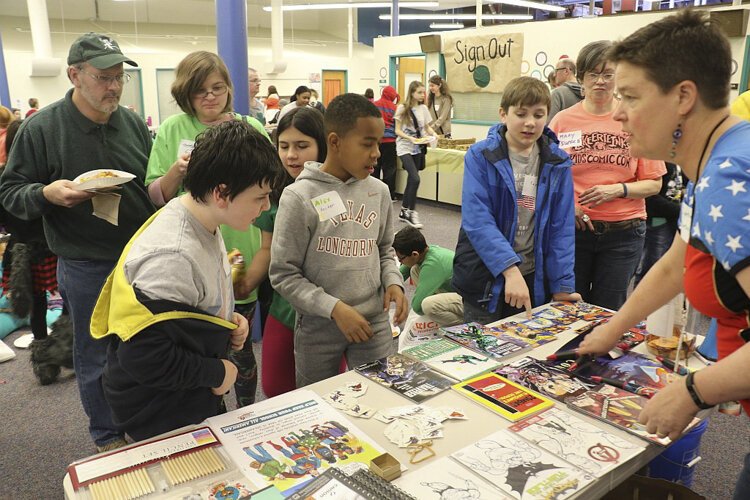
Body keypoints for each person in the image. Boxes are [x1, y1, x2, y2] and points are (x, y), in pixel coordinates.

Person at [575, 11, 750, 496]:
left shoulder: (728, 181)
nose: (616, 112)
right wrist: (610, 329)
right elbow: (677, 261)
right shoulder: (715, 158)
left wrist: (692, 392)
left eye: (630, 96)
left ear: (683, 98)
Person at [0, 32, 155, 452]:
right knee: (96, 355)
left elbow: (149, 183)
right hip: (86, 264)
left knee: (142, 347)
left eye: (119, 76)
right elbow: (10, 190)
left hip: (140, 258)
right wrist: (46, 193)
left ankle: (141, 424)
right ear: (74, 75)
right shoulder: (41, 128)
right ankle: (106, 437)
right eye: (104, 77)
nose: (114, 86)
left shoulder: (133, 124)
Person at [91, 120, 284, 441]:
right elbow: (143, 357)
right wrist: (217, 372)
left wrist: (224, 320)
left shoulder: (201, 216)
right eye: (260, 196)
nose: (266, 206)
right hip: (160, 408)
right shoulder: (174, 255)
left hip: (186, 391)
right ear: (221, 192)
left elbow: (185, 311)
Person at [144, 50, 270, 408]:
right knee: (198, 345)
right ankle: (207, 412)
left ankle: (245, 413)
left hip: (240, 250)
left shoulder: (251, 126)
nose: (211, 97)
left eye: (218, 88)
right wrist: (178, 171)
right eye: (200, 90)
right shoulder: (173, 129)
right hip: (193, 253)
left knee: (240, 345)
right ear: (186, 93)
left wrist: (264, 253)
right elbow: (155, 195)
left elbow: (266, 196)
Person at [269, 93, 409, 387]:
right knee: (319, 406)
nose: (376, 154)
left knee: (378, 395)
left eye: (377, 143)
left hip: (374, 322)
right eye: (367, 144)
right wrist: (334, 308)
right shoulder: (298, 197)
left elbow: (384, 250)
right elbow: (283, 274)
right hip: (318, 328)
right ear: (334, 142)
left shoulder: (379, 192)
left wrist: (393, 281)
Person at [452, 76, 580, 324]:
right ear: (503, 114)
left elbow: (561, 229)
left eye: (538, 114)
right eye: (521, 114)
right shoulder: (481, 156)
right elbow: (478, 221)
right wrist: (509, 270)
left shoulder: (558, 162)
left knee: (525, 353)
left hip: (533, 275)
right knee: (481, 351)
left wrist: (562, 284)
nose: (530, 123)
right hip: (485, 276)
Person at [549, 40, 665, 312]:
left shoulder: (635, 119)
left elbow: (654, 183)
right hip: (574, 232)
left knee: (608, 310)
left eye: (608, 74)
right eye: (593, 74)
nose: (600, 81)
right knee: (569, 308)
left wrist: (617, 190)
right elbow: (549, 179)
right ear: (581, 79)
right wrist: (569, 206)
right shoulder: (561, 122)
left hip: (623, 234)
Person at [242, 106, 328, 397]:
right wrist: (245, 285)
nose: (291, 155)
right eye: (284, 146)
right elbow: (267, 248)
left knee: (326, 389)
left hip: (328, 310)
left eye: (302, 146)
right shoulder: (273, 192)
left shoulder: (336, 191)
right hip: (284, 308)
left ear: (322, 145)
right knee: (276, 387)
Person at [393, 226, 463, 327]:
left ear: (414, 254)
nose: (400, 262)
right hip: (456, 291)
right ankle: (441, 312)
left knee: (428, 305)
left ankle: (464, 323)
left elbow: (417, 307)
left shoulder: (432, 264)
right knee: (414, 270)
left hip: (471, 302)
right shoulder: (425, 251)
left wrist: (402, 304)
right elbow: (399, 276)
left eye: (401, 259)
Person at [633, 163, 684, 287]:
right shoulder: (660, 163)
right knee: (651, 268)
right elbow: (651, 199)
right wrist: (679, 210)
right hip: (657, 221)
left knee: (666, 264)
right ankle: (641, 302)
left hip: (672, 221)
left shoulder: (676, 164)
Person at [395, 80, 436, 229]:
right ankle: (411, 212)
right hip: (404, 147)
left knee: (412, 180)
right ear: (411, 92)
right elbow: (397, 130)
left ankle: (404, 211)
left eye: (423, 92)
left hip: (418, 148)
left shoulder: (424, 108)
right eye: (419, 92)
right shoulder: (402, 108)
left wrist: (434, 135)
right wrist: (410, 138)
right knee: (415, 178)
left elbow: (426, 128)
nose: (422, 95)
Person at [373, 85, 399, 200]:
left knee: (374, 167)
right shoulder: (395, 108)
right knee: (390, 169)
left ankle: (374, 194)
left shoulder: (374, 105)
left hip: (376, 141)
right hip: (390, 141)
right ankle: (390, 195)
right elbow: (397, 126)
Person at [547, 58, 582, 124]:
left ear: (566, 71)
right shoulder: (587, 93)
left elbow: (550, 125)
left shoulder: (557, 94)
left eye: (556, 71)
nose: (554, 75)